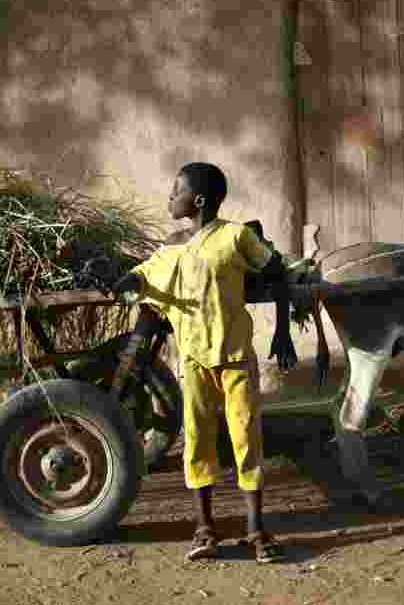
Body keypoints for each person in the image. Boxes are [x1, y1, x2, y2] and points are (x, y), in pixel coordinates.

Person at [111, 162, 295, 563]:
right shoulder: (173, 244)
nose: (168, 197)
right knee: (196, 439)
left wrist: (283, 330)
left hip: (233, 358)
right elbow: (146, 275)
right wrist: (128, 281)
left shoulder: (235, 236)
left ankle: (255, 529)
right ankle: (204, 528)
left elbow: (277, 270)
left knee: (247, 438)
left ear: (197, 200)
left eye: (175, 190)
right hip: (193, 360)